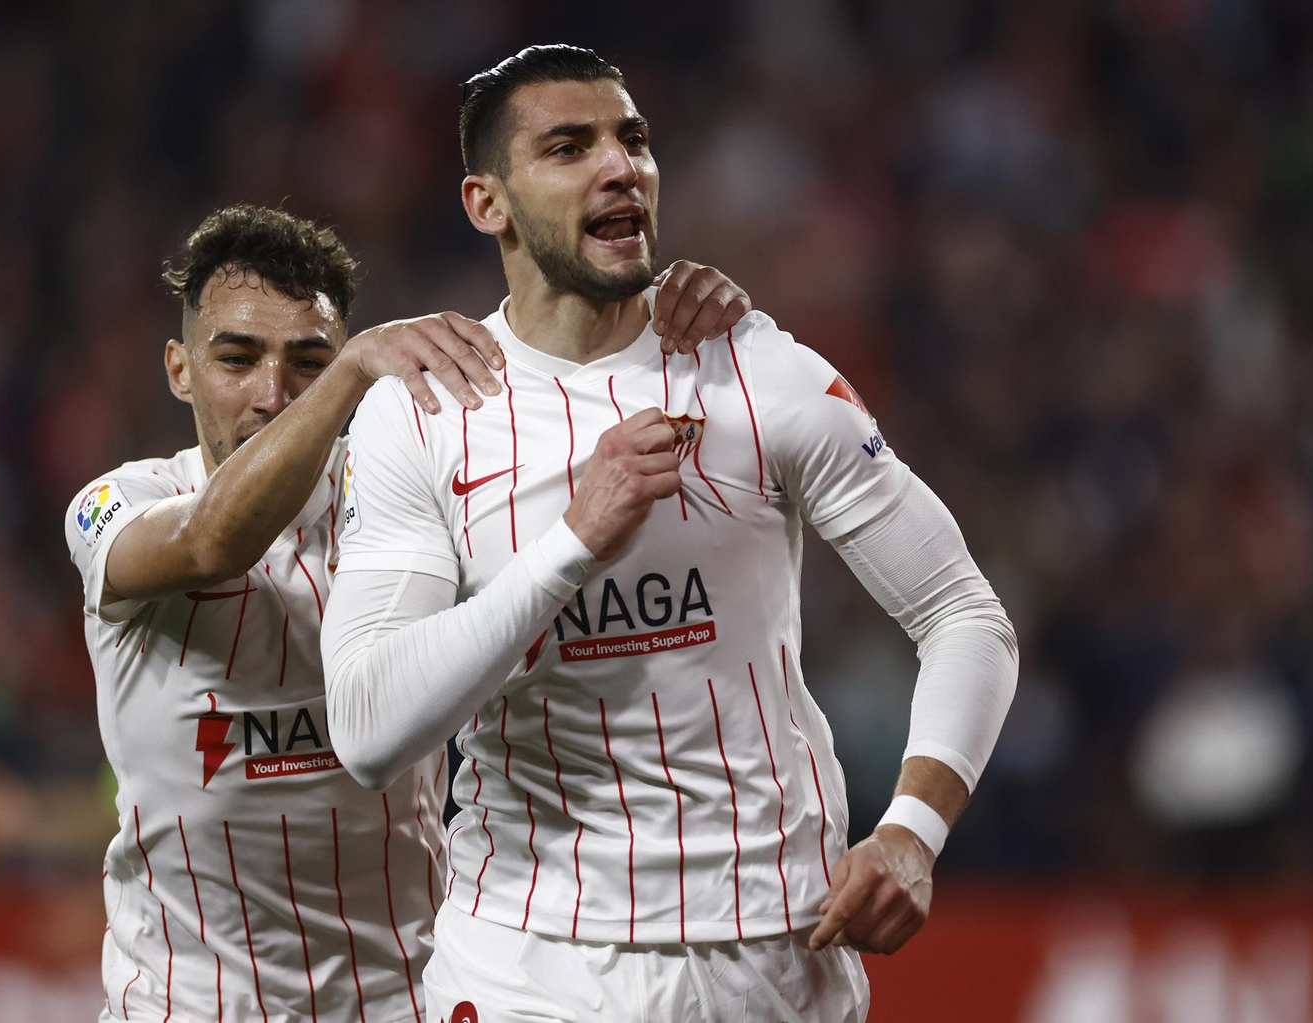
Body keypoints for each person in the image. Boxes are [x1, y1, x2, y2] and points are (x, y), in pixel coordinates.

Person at [322, 45, 1018, 1022]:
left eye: (632, 139)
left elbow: (963, 613)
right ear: (489, 204)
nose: (620, 167)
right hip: (533, 961)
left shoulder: (758, 371)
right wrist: (571, 544)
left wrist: (911, 829)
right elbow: (366, 727)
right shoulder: (425, 410)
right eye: (569, 147)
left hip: (775, 950)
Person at [63, 202, 753, 1023]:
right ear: (179, 369)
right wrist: (352, 371)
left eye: (307, 361)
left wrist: (675, 333)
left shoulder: (408, 502)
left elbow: (581, 472)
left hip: (401, 1002)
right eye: (237, 358)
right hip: (185, 1008)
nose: (271, 392)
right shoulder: (114, 503)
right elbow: (215, 541)